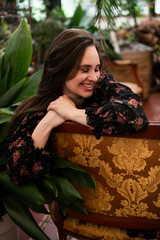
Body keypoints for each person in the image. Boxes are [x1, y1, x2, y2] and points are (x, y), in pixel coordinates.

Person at [6, 28, 148, 185]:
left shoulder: (101, 85)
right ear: (62, 68)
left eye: (96, 68)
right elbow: (18, 173)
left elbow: (134, 115)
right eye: (84, 69)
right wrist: (47, 122)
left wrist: (72, 113)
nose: (94, 77)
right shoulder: (39, 110)